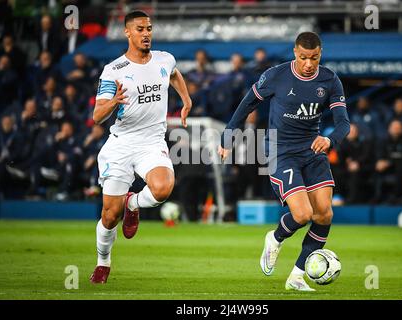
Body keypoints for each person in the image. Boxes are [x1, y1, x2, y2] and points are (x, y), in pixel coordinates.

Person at [219, 32, 350, 291]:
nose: (308, 63)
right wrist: (228, 137)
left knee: (324, 214)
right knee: (302, 214)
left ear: (320, 53)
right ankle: (275, 238)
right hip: (280, 150)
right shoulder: (276, 75)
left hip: (312, 149)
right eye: (303, 57)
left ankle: (297, 276)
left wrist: (330, 140)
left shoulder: (330, 80)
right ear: (294, 53)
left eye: (313, 58)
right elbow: (246, 105)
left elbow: (343, 124)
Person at [90, 11, 192, 284]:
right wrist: (114, 102)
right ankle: (103, 261)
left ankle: (133, 203)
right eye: (139, 29)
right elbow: (97, 116)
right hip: (121, 144)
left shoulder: (164, 58)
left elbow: (174, 74)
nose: (146, 33)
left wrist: (186, 99)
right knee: (110, 217)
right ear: (127, 33)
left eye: (149, 28)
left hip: (152, 142)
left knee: (162, 188)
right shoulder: (113, 70)